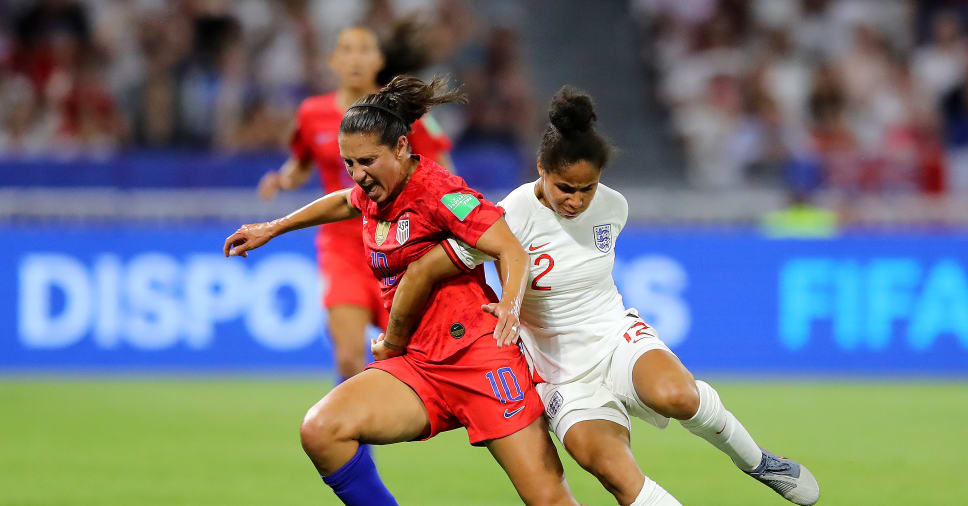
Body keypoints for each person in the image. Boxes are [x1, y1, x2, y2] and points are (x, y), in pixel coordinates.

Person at [373, 87, 821, 506]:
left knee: (677, 395)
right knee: (613, 473)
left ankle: (760, 462)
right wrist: (398, 340)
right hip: (560, 373)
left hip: (615, 338)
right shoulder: (509, 216)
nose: (576, 200)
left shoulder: (614, 206)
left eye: (587, 189)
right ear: (541, 169)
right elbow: (427, 269)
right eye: (565, 188)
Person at [224, 75, 578, 506]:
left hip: (479, 361)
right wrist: (274, 227)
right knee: (322, 429)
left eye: (367, 161)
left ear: (402, 148)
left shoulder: (439, 191)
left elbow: (510, 249)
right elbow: (343, 200)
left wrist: (509, 306)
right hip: (420, 366)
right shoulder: (375, 190)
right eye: (349, 163)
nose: (358, 174)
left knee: (549, 501)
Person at [256, 23, 453, 384]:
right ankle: (357, 441)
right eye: (346, 49)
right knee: (348, 360)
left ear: (379, 59)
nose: (355, 58)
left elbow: (442, 170)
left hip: (399, 246)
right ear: (332, 60)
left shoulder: (405, 113)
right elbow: (302, 164)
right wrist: (283, 179)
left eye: (365, 49)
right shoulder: (311, 113)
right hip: (342, 247)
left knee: (423, 358)